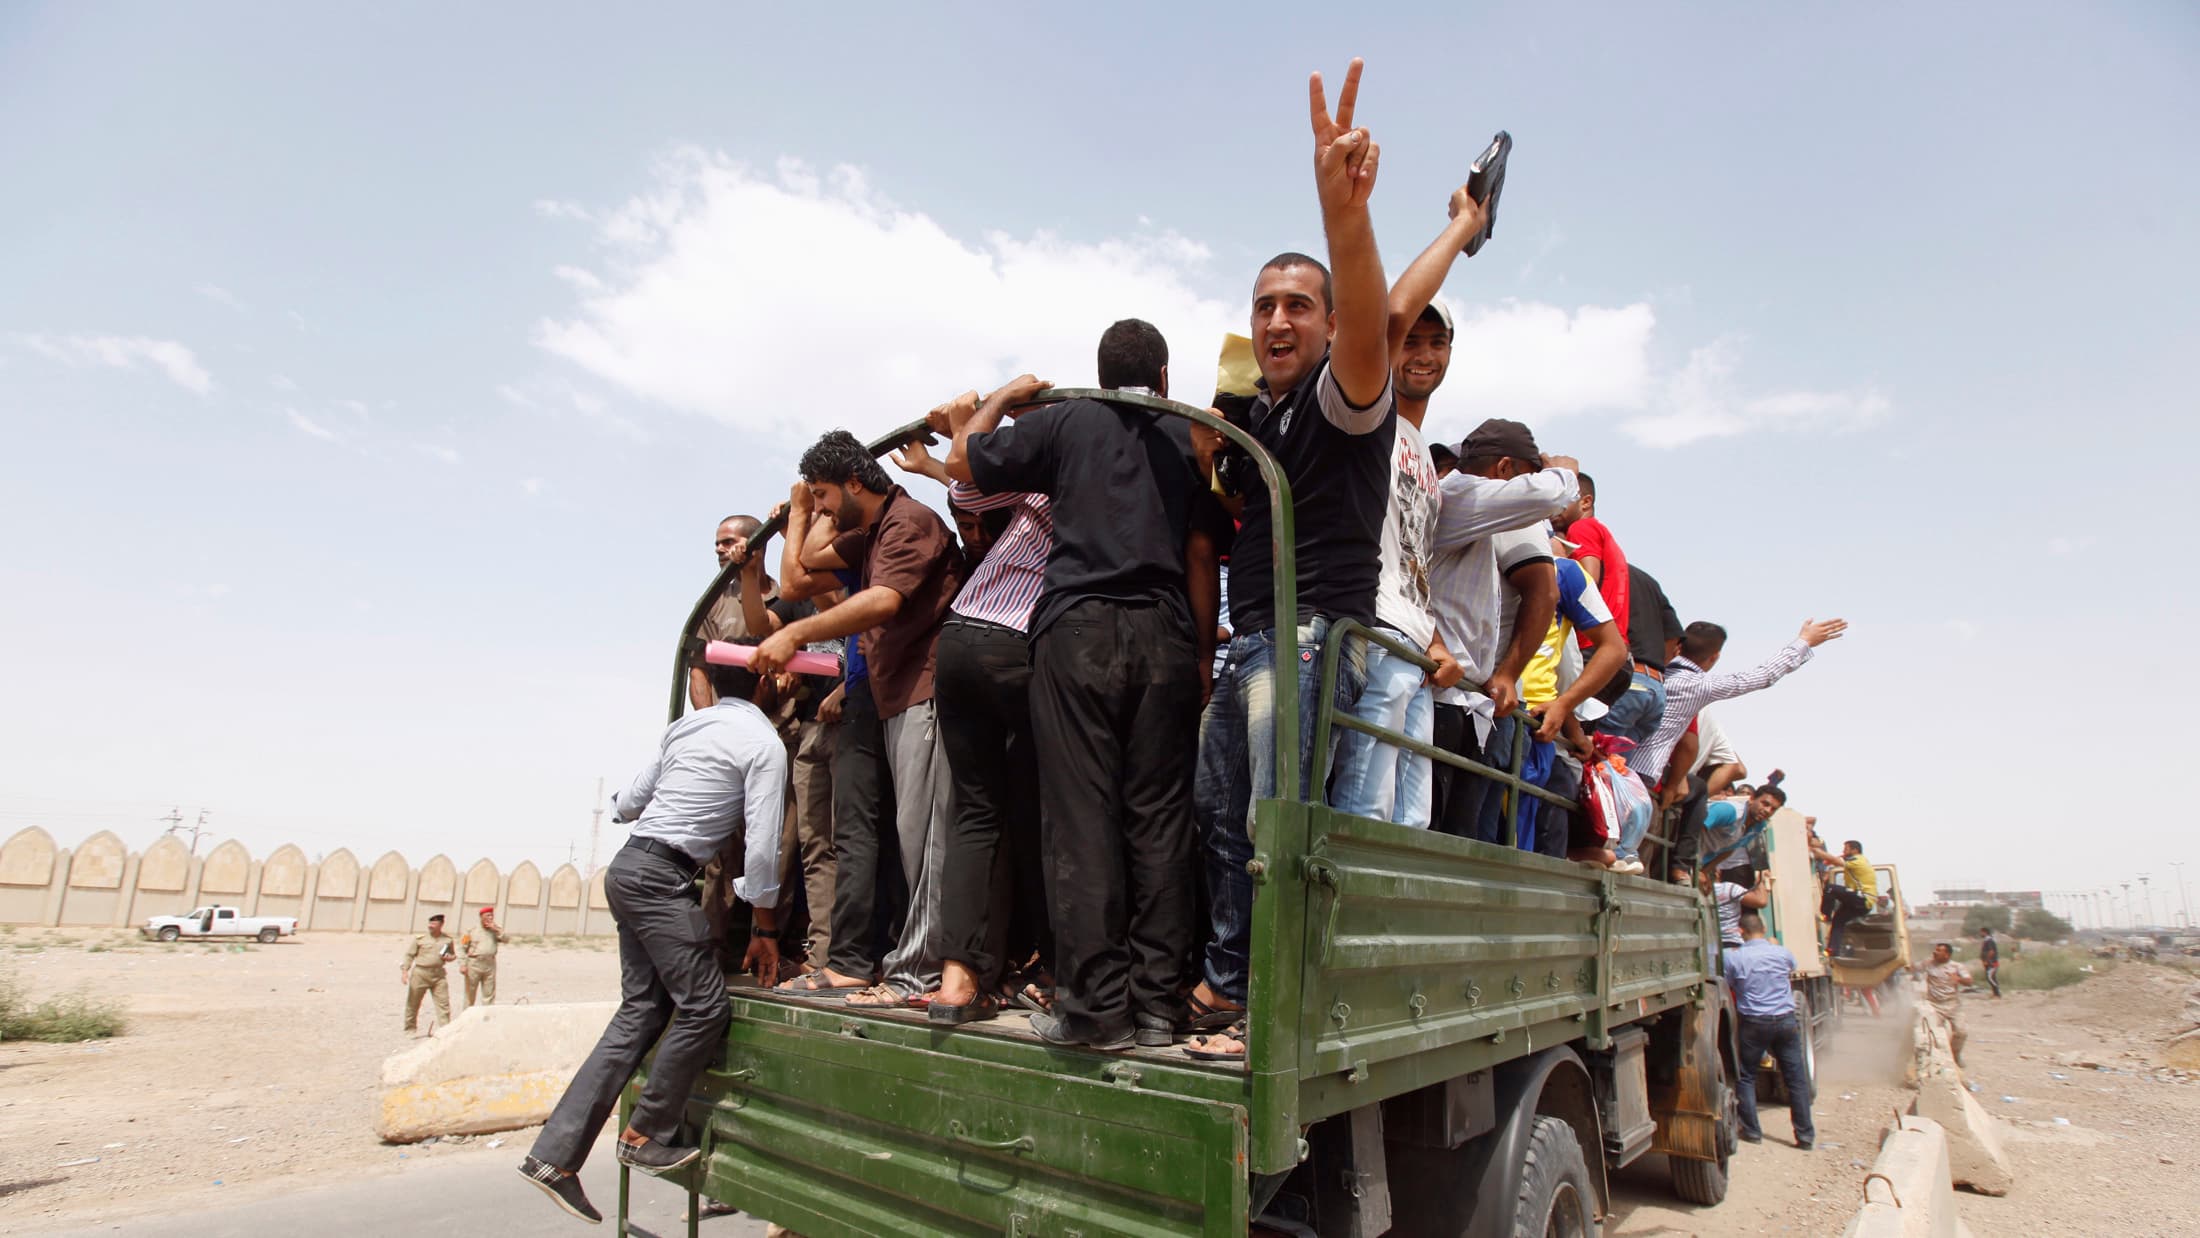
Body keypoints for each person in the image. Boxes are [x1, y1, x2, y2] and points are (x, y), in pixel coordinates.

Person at [1186, 60, 1398, 1057]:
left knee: (1276, 824)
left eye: (1296, 305)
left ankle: (1273, 1009)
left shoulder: (1340, 400)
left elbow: (1369, 326)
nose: (1277, 319)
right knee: (1222, 818)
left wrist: (1342, 220)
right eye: (1264, 304)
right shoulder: (1259, 419)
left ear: (1325, 324)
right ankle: (1231, 985)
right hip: (1253, 642)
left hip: (1310, 642)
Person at [947, 320, 1219, 1051]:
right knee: (1159, 820)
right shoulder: (1191, 435)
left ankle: (1097, 1013)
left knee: (1082, 821)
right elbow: (1200, 550)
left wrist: (1005, 395)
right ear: (1163, 379)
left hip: (1076, 632)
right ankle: (1159, 1008)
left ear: (1101, 379)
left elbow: (964, 461)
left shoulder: (1067, 422)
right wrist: (1198, 654)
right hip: (1165, 633)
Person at [520, 648, 785, 1224]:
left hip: (629, 868)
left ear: (712, 684)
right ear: (767, 681)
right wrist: (764, 923)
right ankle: (645, 1134)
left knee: (640, 1012)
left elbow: (629, 803)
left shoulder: (688, 727)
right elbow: (762, 849)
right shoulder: (764, 745)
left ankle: (554, 1156)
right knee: (705, 1007)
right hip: (663, 880)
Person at [756, 431, 963, 1010]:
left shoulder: (909, 521)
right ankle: (887, 965)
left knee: (922, 837)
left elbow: (883, 601)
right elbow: (798, 576)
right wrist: (802, 510)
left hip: (925, 688)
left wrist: (796, 631)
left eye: (824, 495)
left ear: (854, 483)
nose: (820, 508)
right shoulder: (869, 532)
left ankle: (917, 973)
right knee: (891, 833)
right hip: (889, 693)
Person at [1329, 178, 1491, 828]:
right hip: (1372, 634)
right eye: (1412, 343)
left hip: (1417, 650)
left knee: (1410, 821)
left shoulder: (1425, 455)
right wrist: (1461, 226)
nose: (1421, 354)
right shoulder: (1369, 417)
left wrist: (1443, 641)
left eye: (1436, 342)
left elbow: (1409, 562)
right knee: (1364, 811)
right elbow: (1389, 317)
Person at [895, 412, 1057, 1024]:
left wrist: (980, 413)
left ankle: (957, 982)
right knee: (1047, 813)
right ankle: (1053, 965)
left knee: (974, 814)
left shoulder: (1030, 485)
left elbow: (965, 482)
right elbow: (965, 484)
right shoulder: (1086, 475)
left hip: (962, 638)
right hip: (1021, 642)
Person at [1423, 421, 1580, 839]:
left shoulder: (1484, 510)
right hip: (1446, 696)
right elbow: (1553, 495)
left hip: (1468, 702)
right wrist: (1562, 470)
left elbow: (1542, 592)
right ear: (1505, 470)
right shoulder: (1463, 496)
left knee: (1457, 838)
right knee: (1440, 837)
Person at [1632, 616, 1850, 809]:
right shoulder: (1699, 686)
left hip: (1615, 763)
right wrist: (1805, 641)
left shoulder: (1646, 672)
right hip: (1642, 779)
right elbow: (1763, 675)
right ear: (1715, 657)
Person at [1724, 912, 1815, 1149]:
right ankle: (1805, 1137)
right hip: (1785, 1021)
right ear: (1763, 930)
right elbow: (1792, 967)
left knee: (1746, 1077)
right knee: (1796, 1079)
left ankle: (1752, 1132)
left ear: (1740, 931)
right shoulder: (1781, 953)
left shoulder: (1735, 958)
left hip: (1754, 1023)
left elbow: (1729, 983)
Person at [689, 514, 771, 709]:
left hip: (784, 731)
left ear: (756, 546)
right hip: (732, 726)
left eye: (728, 542)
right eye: (717, 544)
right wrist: (712, 724)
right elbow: (699, 672)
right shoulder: (712, 604)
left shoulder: (790, 597)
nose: (719, 550)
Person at [1601, 563, 1682, 745]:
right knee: (1616, 766)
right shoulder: (1648, 582)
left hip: (1627, 683)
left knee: (1597, 758)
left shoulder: (1603, 570)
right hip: (1655, 689)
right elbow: (1674, 637)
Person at [1918, 941, 1975, 1064]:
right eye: (1935, 949)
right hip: (1934, 1005)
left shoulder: (1956, 966)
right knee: (1933, 1034)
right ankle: (1937, 1060)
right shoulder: (1928, 964)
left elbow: (1969, 981)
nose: (1935, 952)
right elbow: (1912, 968)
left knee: (1961, 1032)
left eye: (1939, 950)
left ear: (1947, 955)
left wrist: (1958, 979)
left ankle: (1956, 1054)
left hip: (1953, 1004)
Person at [400, 914, 457, 1034]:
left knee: (443, 1003)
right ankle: (410, 1029)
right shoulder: (420, 939)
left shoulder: (447, 940)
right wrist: (405, 971)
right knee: (413, 1002)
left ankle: (445, 1030)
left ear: (441, 925)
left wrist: (450, 958)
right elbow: (409, 955)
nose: (430, 926)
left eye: (433, 924)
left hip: (438, 974)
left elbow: (453, 955)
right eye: (429, 923)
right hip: (420, 973)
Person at [1703, 865, 1772, 949]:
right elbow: (1761, 901)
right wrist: (1761, 880)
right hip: (1733, 942)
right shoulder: (1728, 888)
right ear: (1718, 873)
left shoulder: (1700, 892)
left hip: (1708, 944)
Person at [463, 906, 502, 1008]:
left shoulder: (495, 929)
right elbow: (462, 948)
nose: (490, 918)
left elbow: (506, 939)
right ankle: (467, 1018)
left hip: (489, 964)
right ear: (481, 917)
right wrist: (463, 964)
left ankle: (486, 1018)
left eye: (491, 915)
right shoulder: (471, 930)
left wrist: (496, 930)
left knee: (489, 994)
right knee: (470, 994)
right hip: (474, 964)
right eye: (487, 915)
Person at [1978, 926, 2002, 998]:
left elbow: (1991, 952)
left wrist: (1986, 960)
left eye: (1981, 932)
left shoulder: (1989, 940)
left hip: (1991, 963)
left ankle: (1997, 994)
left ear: (1985, 932)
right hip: (1988, 963)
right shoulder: (1986, 940)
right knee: (1991, 978)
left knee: (1990, 978)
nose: (1980, 934)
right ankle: (1995, 993)